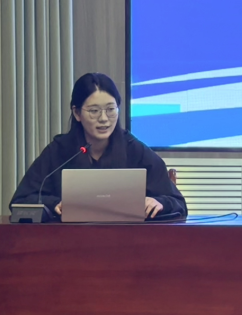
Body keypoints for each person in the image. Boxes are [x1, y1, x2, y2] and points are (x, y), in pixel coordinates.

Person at [10, 72, 188, 220]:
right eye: (94, 111)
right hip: (69, 243)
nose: (104, 119)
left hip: (127, 243)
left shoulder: (134, 150)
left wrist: (160, 203)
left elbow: (178, 203)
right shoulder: (59, 151)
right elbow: (21, 201)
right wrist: (54, 203)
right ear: (77, 113)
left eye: (110, 109)